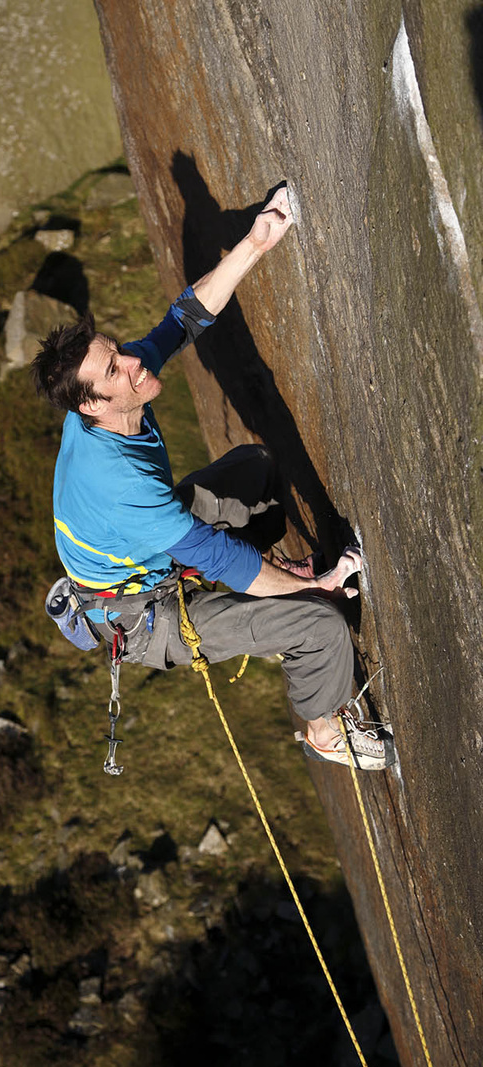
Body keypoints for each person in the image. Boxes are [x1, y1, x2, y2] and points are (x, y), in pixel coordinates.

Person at [32, 187, 391, 770]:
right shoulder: (123, 489)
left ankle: (282, 586)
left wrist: (256, 242)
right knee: (320, 624)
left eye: (118, 350)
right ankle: (325, 731)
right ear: (91, 405)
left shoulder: (108, 399)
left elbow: (182, 321)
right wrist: (313, 587)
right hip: (142, 616)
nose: (134, 362)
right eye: (116, 368)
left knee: (255, 470)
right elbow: (223, 561)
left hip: (142, 552)